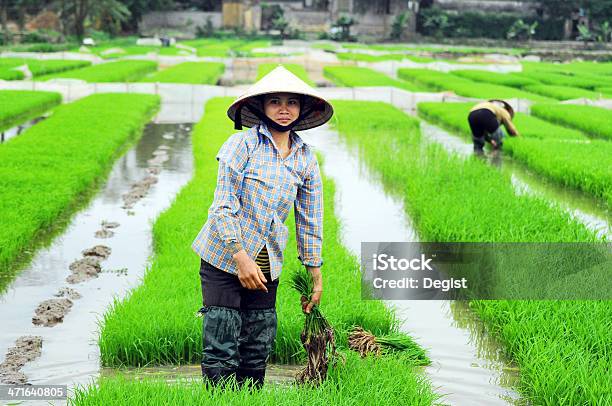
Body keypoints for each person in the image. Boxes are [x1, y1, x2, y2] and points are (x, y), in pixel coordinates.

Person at [191, 66, 334, 389]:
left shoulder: (305, 158)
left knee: (258, 341)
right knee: (222, 338)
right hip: (224, 256)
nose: (284, 109)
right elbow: (222, 206)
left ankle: (250, 397)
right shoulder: (241, 145)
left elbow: (310, 218)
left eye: (292, 103)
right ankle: (219, 398)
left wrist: (315, 274)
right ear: (261, 107)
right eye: (274, 101)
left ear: (302, 110)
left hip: (268, 262)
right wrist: (240, 257)